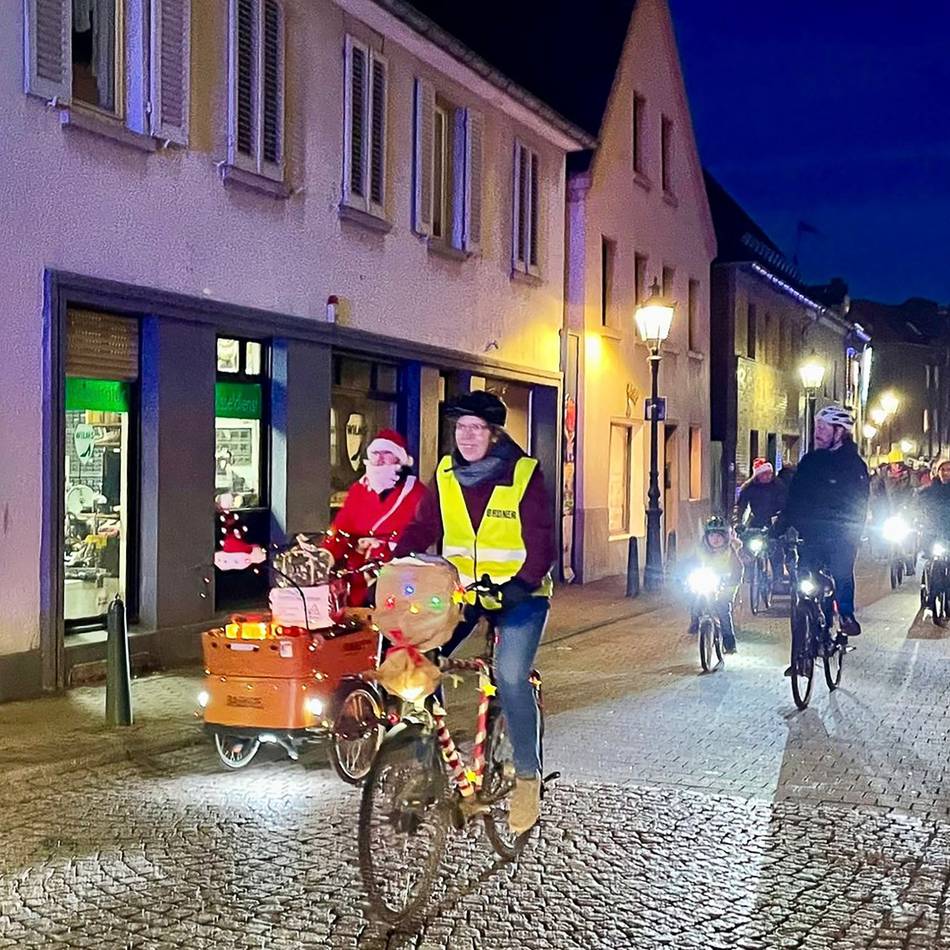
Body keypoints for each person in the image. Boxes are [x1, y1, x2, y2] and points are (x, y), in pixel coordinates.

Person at [395, 391, 555, 835]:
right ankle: (428, 766)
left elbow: (541, 540)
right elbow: (425, 526)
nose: (466, 436)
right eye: (460, 428)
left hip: (521, 595)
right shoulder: (445, 473)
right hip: (463, 592)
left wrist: (520, 585)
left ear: (494, 433)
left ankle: (527, 777)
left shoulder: (523, 473)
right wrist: (394, 561)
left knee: (508, 674)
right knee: (419, 656)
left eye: (476, 428)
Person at [775, 405, 869, 639]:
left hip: (841, 536)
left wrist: (852, 533)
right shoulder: (810, 462)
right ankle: (800, 656)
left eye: (823, 428)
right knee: (803, 588)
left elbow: (859, 503)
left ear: (839, 432)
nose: (818, 432)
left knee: (841, 572)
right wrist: (779, 528)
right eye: (817, 427)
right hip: (811, 535)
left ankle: (846, 616)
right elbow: (794, 498)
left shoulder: (854, 465)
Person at [322, 429, 428, 606]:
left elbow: (424, 533)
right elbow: (342, 528)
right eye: (375, 454)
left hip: (398, 579)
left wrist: (389, 546)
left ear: (399, 459)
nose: (379, 459)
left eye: (387, 453)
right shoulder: (359, 490)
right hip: (356, 576)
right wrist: (327, 555)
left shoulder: (418, 493)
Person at [687, 517, 743, 653]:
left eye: (719, 536)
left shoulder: (730, 552)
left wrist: (732, 583)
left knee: (723, 610)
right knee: (695, 599)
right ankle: (695, 620)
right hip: (706, 581)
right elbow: (690, 563)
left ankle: (729, 643)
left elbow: (738, 569)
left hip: (725, 586)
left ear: (725, 537)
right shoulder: (700, 550)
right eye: (712, 535)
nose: (715, 539)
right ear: (706, 537)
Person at [734, 458, 787, 589]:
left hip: (775, 521)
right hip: (757, 520)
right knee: (748, 543)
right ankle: (749, 571)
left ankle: (778, 578)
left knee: (775, 548)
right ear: (758, 475)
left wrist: (781, 518)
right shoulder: (749, 488)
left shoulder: (779, 486)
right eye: (764, 474)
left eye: (769, 473)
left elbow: (785, 504)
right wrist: (738, 522)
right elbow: (741, 506)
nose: (768, 476)